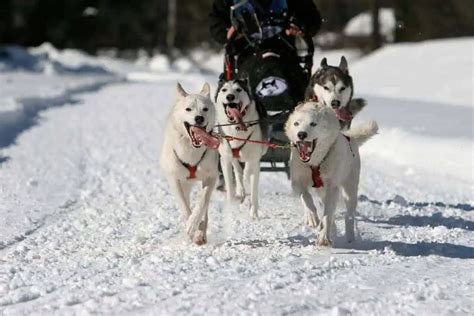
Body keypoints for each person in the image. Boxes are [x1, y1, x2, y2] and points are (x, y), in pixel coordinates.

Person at [209, 0, 322, 111]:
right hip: (244, 54)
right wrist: (226, 32)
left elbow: (312, 20)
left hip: (283, 52)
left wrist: (300, 25)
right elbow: (216, 22)